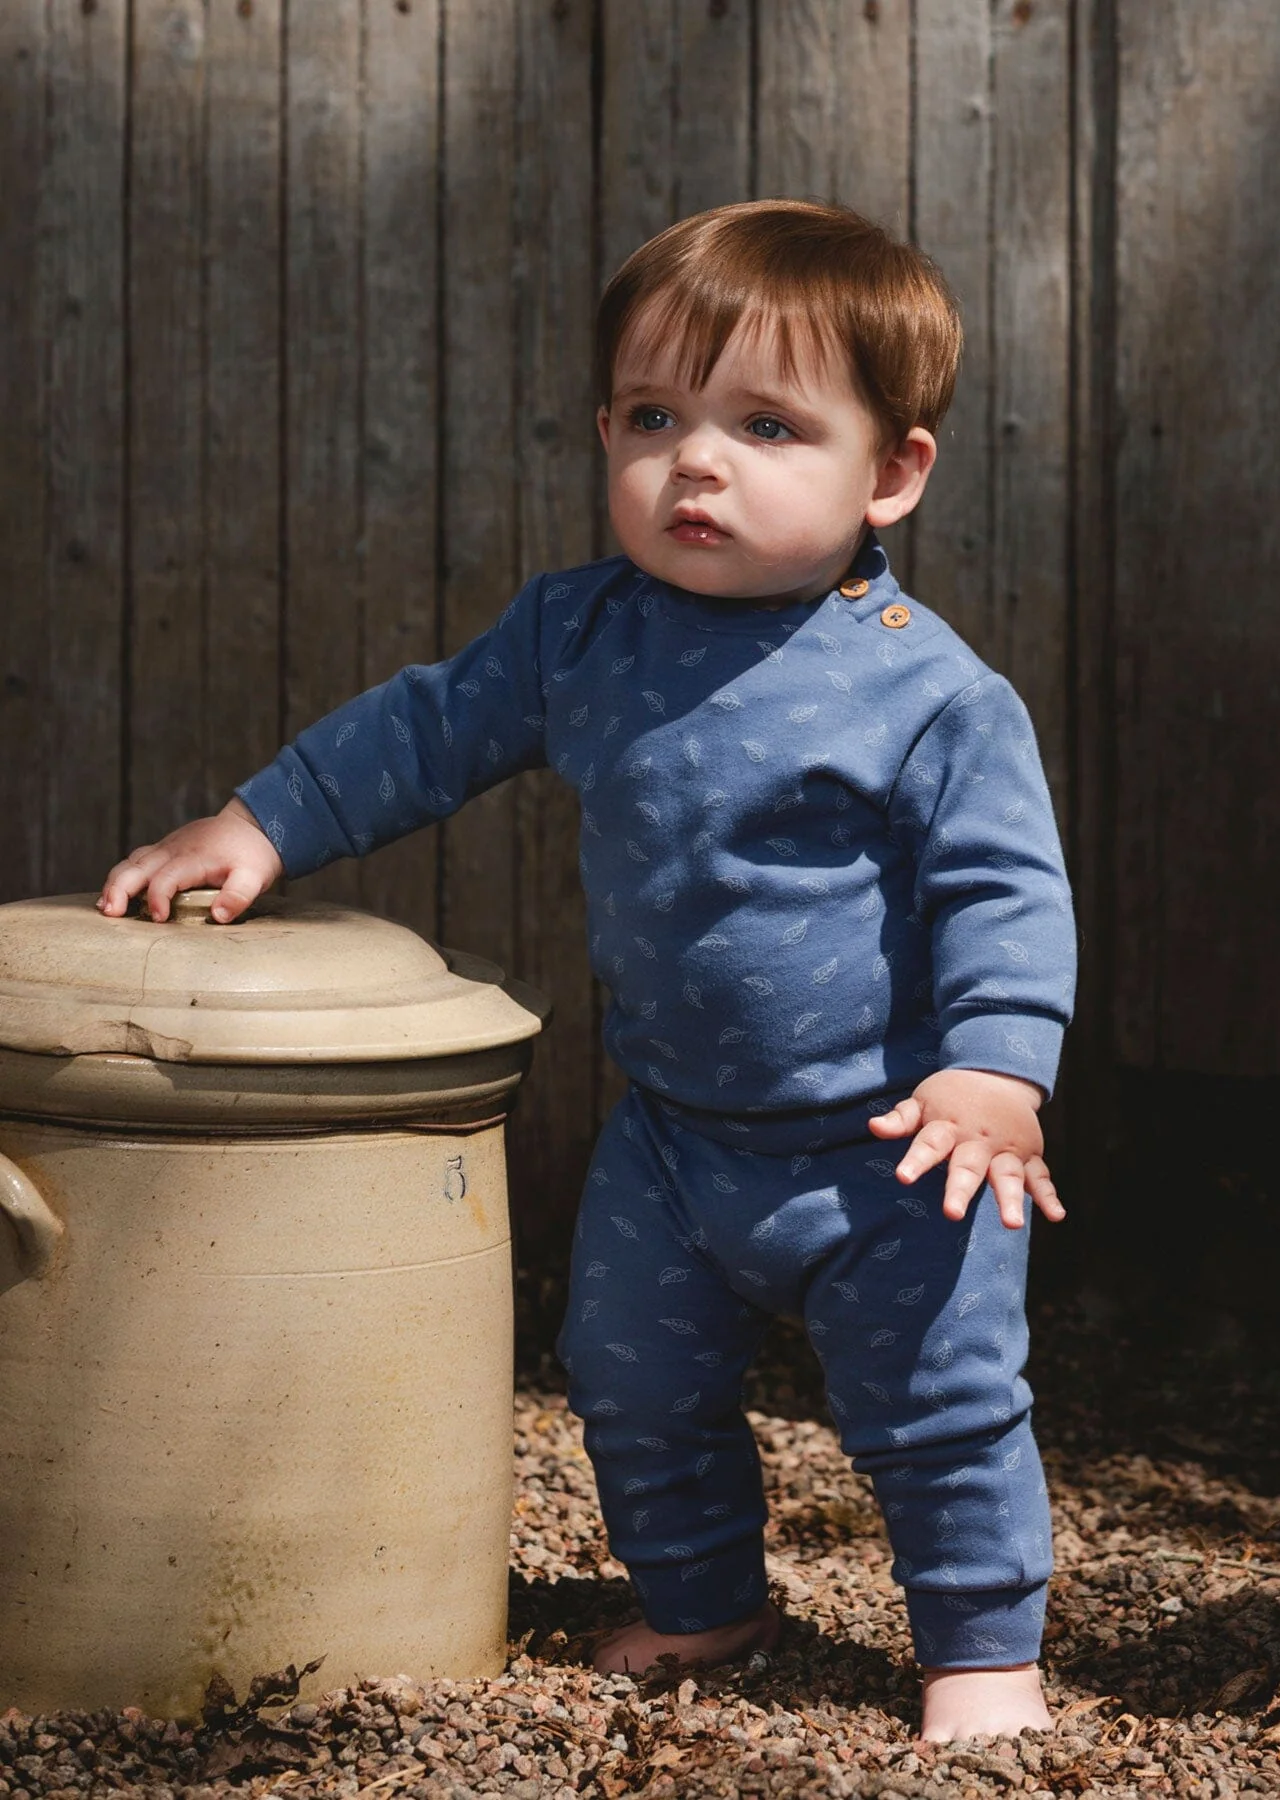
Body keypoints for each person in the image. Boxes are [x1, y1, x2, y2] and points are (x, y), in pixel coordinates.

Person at [99, 200, 1076, 1741]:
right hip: (675, 1136)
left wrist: (998, 1067)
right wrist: (263, 820)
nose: (696, 459)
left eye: (766, 424)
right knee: (625, 1378)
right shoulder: (581, 633)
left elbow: (1005, 888)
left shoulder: (930, 694)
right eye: (652, 415)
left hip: (897, 1149)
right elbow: (427, 729)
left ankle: (981, 1654)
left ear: (892, 470)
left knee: (941, 1414)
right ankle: (707, 1605)